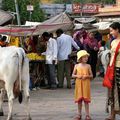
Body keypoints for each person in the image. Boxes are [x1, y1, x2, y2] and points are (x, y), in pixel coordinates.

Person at [72, 50, 93, 120]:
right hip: (78, 84)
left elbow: (91, 75)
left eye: (87, 57)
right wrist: (77, 76)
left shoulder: (88, 66)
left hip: (86, 84)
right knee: (79, 100)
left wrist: (87, 76)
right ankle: (79, 114)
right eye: (84, 57)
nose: (86, 58)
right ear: (80, 58)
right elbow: (73, 75)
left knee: (86, 100)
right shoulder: (76, 66)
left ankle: (87, 114)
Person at [105, 22, 120, 120]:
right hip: (112, 69)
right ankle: (112, 114)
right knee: (111, 91)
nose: (110, 33)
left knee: (118, 91)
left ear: (117, 29)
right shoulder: (113, 42)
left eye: (111, 30)